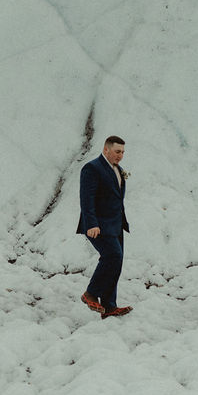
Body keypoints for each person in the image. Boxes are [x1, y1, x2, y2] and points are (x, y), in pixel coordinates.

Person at [77, 136, 132, 318]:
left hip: (116, 224)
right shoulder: (92, 168)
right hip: (98, 225)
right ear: (106, 149)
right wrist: (92, 223)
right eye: (117, 151)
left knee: (117, 262)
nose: (121, 156)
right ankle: (91, 293)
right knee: (112, 256)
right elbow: (87, 199)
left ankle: (109, 307)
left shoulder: (119, 170)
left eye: (123, 152)